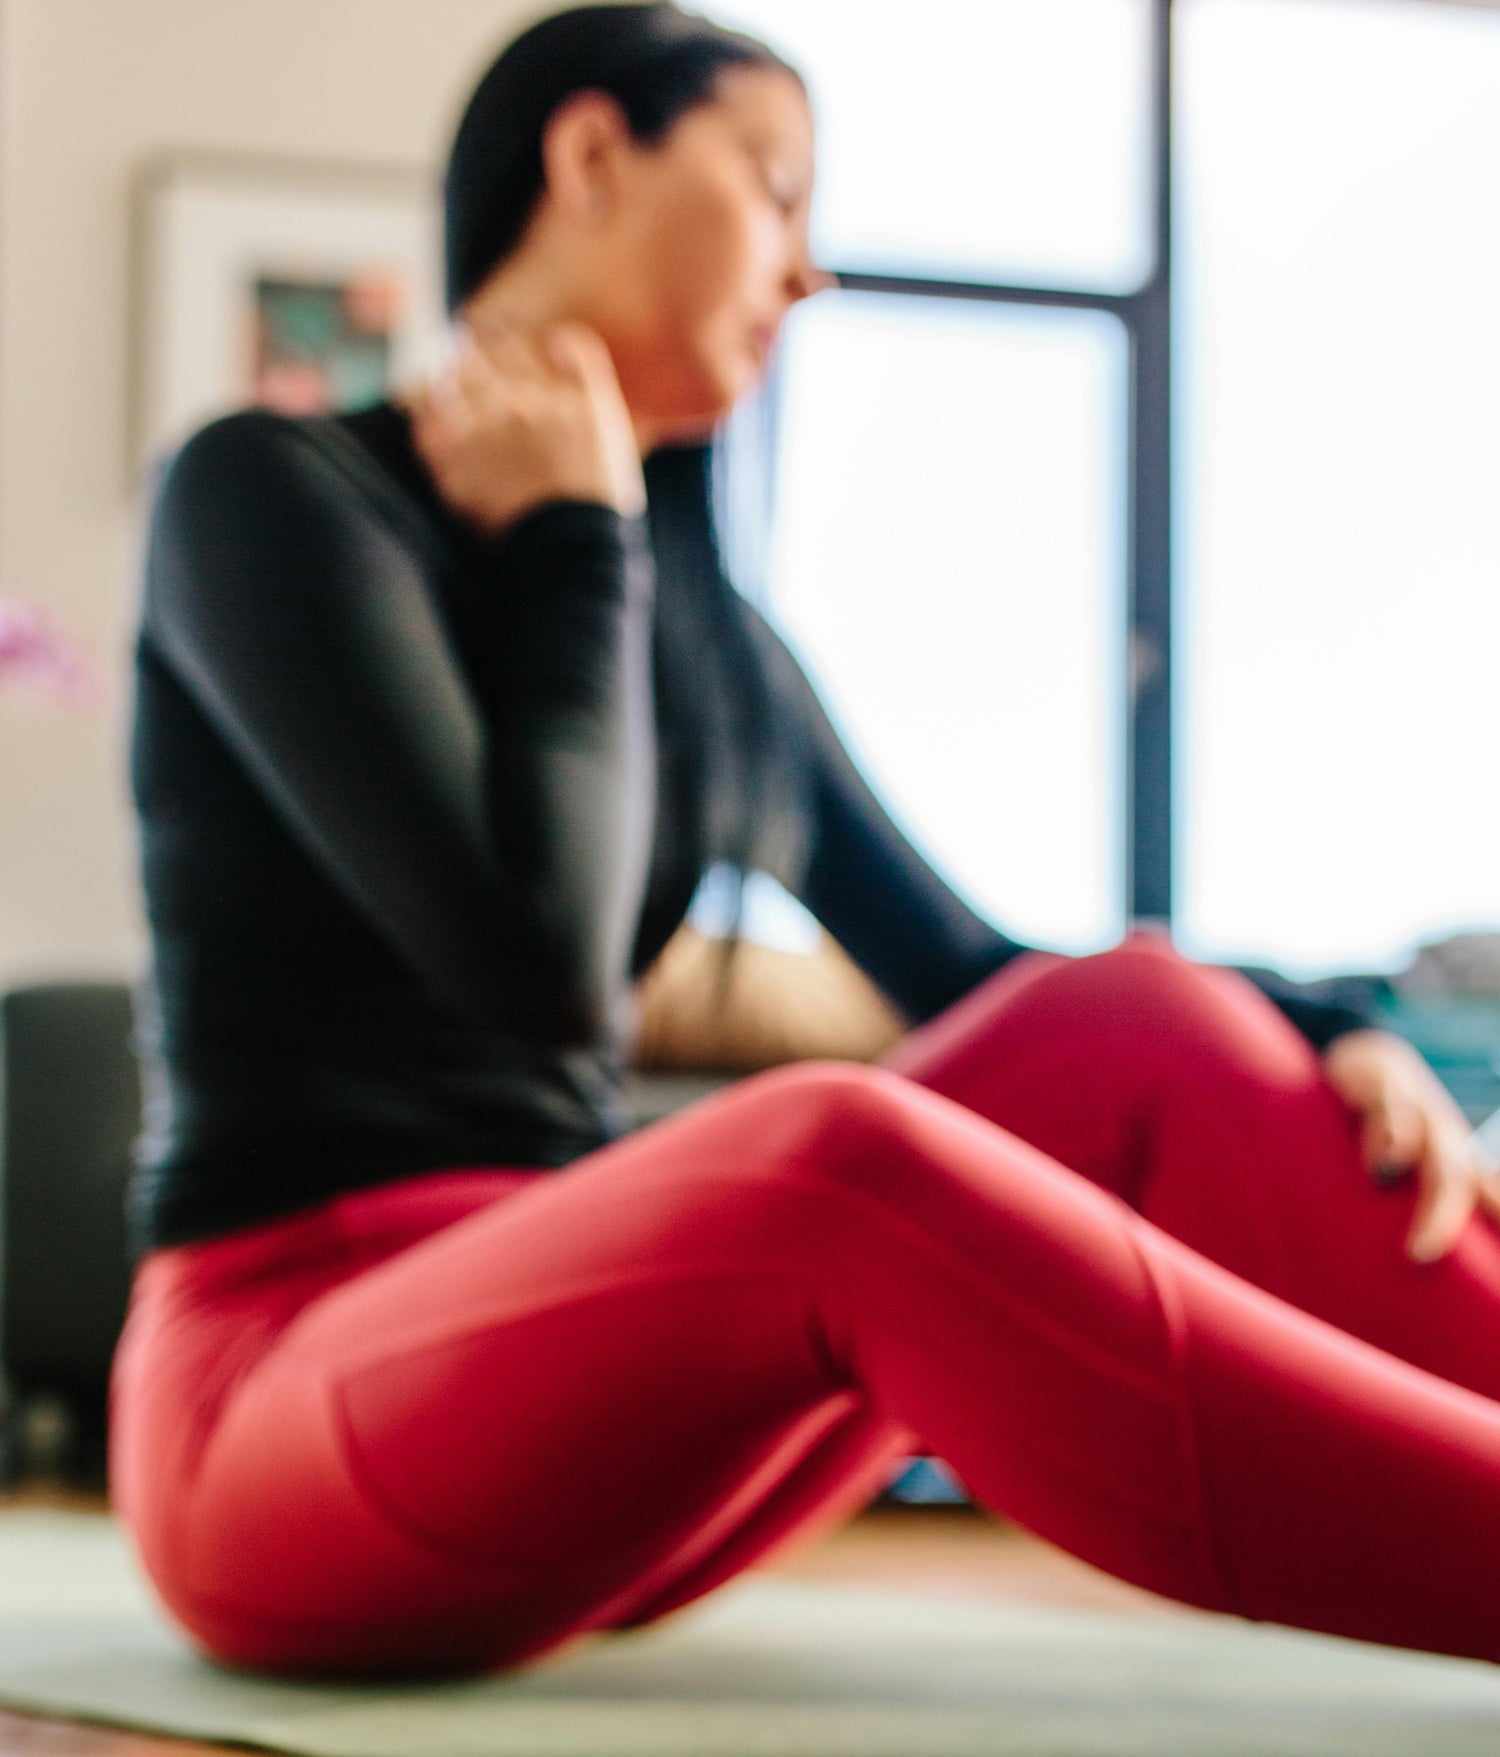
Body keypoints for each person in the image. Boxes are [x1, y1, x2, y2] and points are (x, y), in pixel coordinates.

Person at [112, 0, 1500, 1681]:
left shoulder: (718, 654)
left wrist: (1338, 1027)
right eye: (777, 188)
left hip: (598, 1412)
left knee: (1134, 1012)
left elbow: (987, 977)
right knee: (830, 1157)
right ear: (590, 156)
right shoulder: (270, 495)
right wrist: (578, 529)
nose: (810, 270)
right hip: (279, 1410)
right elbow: (534, 965)